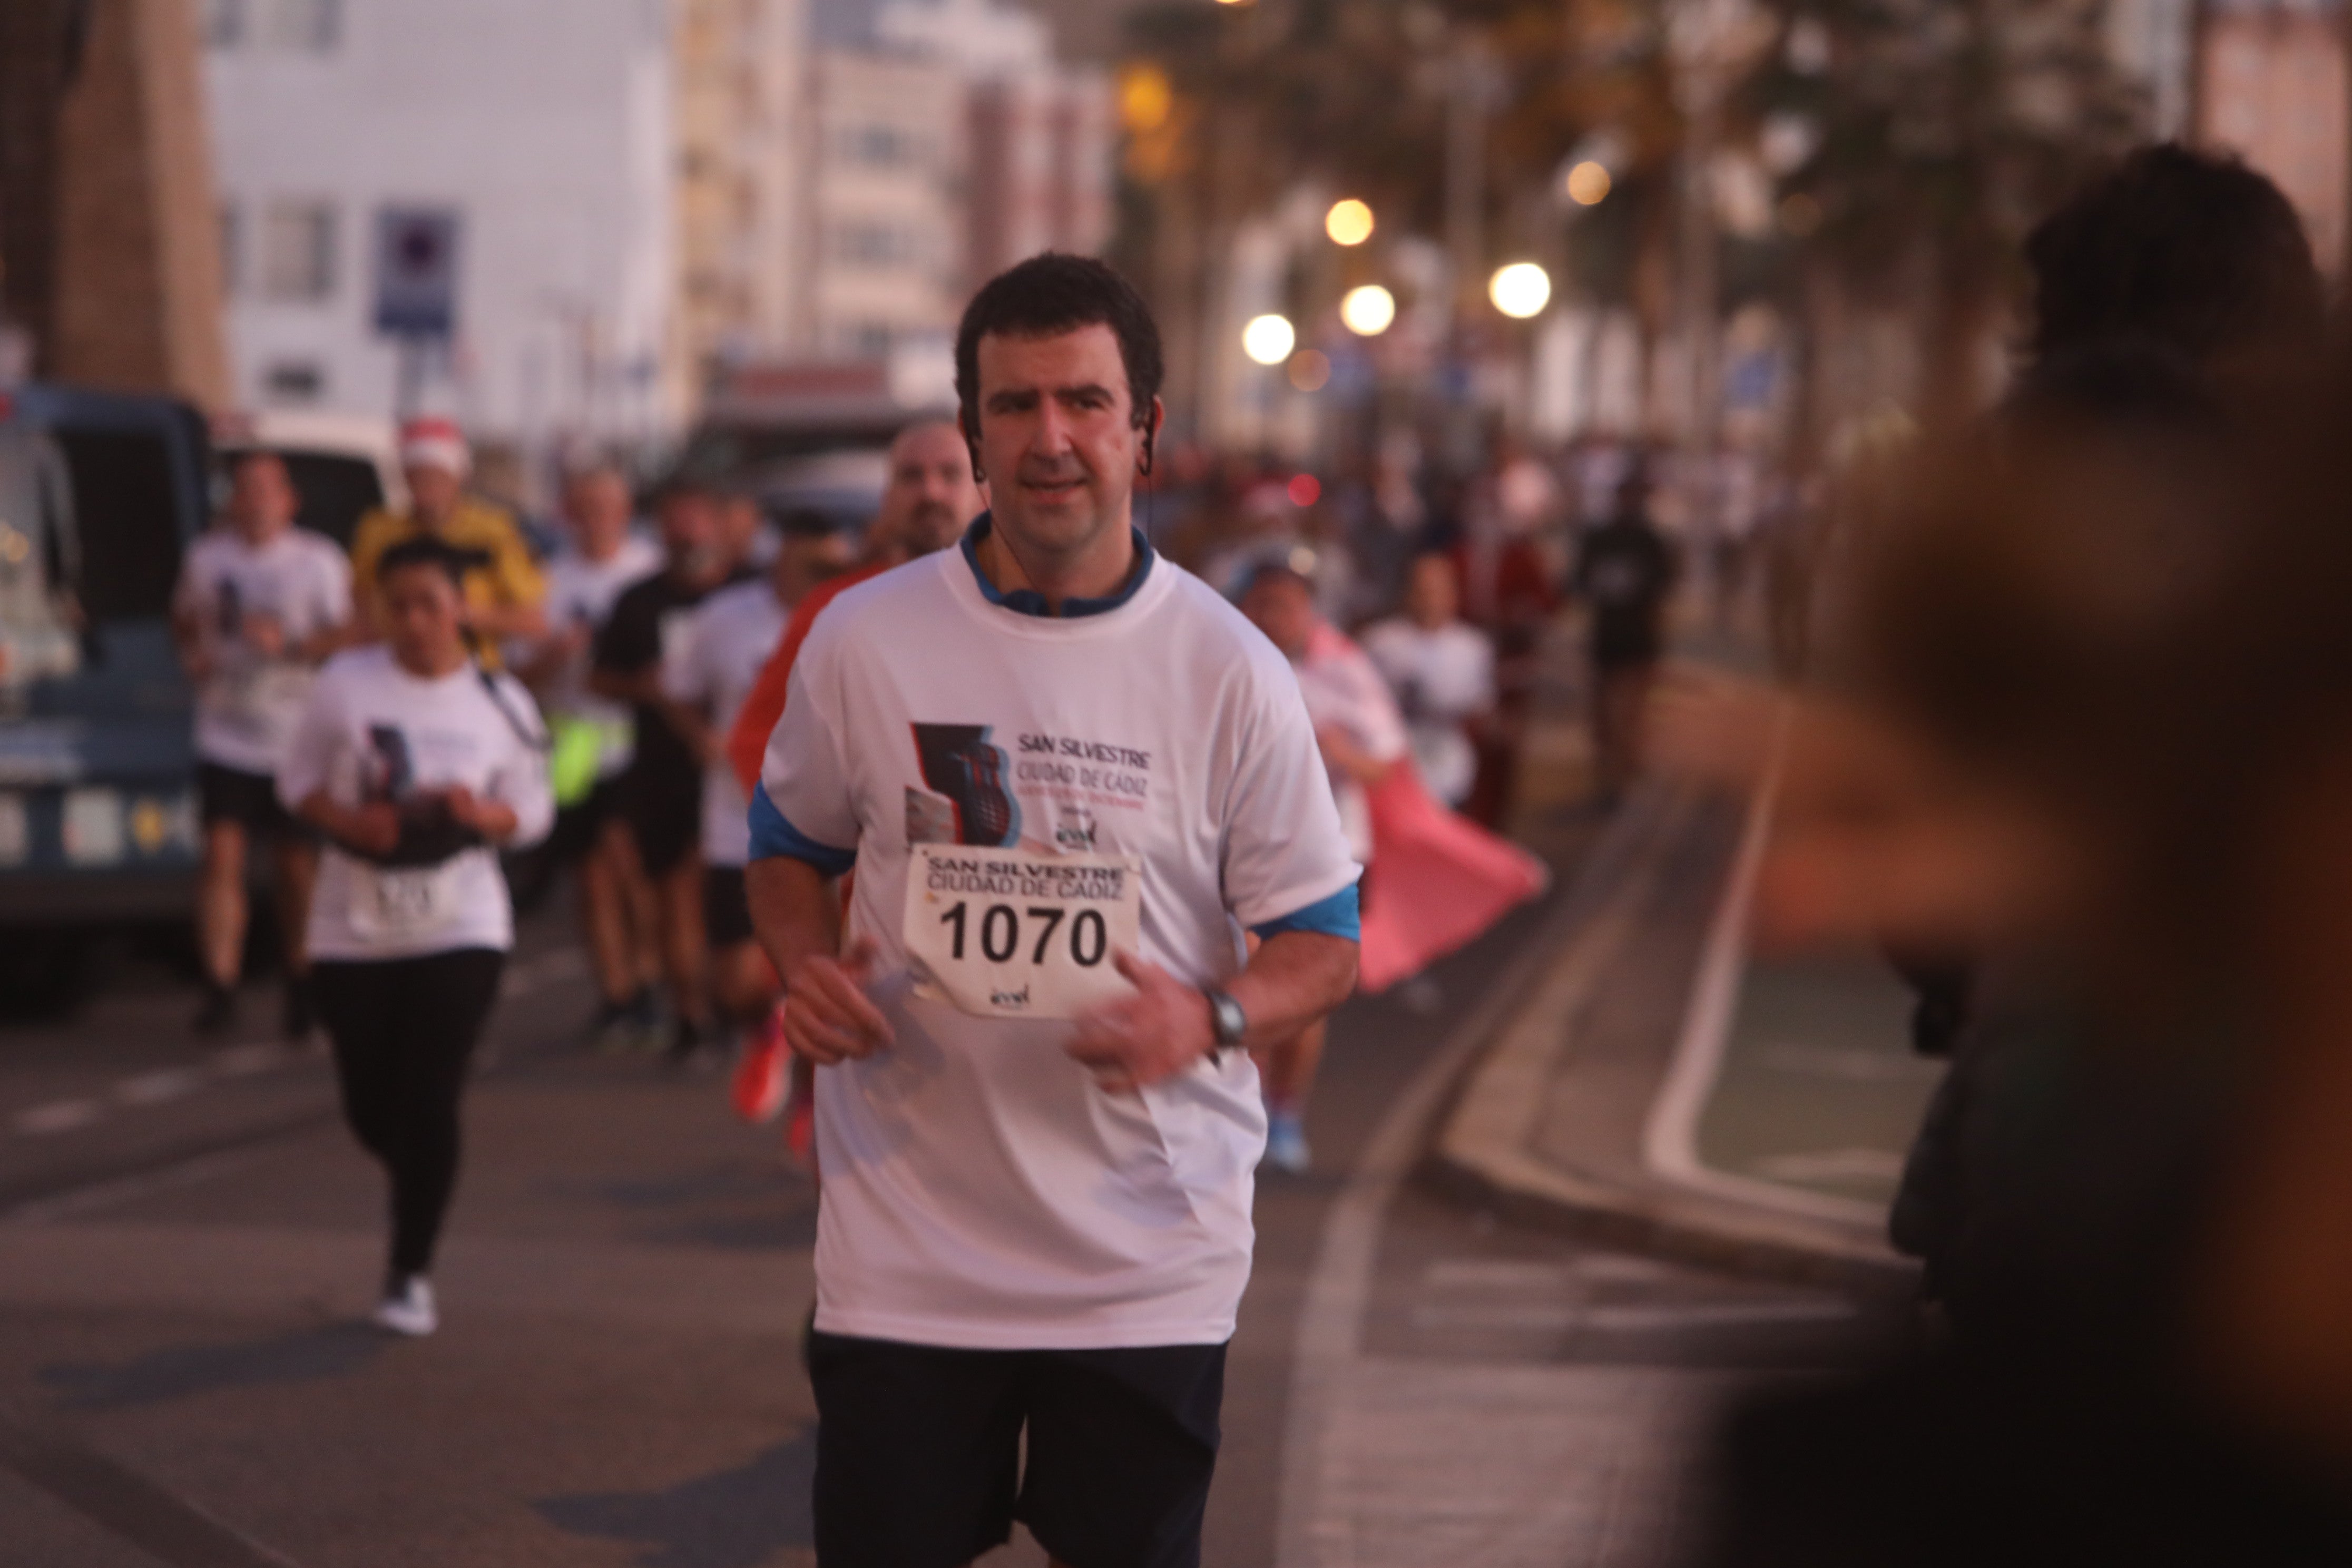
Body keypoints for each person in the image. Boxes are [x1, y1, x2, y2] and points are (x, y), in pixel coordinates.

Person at [746, 253, 1360, 1568]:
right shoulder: (862, 638)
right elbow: (785, 847)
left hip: (1146, 1253)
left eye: (1083, 402)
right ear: (970, 429)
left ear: (1144, 426)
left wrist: (1210, 1014)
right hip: (905, 1244)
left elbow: (1323, 939)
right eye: (1012, 406)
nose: (1048, 439)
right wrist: (801, 964)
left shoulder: (1228, 669)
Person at [279, 536, 552, 1337]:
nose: (415, 621)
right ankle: (418, 1176)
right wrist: (349, 817)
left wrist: (479, 814)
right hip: (352, 922)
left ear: (460, 607)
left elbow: (532, 813)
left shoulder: (499, 701)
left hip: (462, 919)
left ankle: (410, 1271)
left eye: (430, 604)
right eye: (397, 606)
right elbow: (296, 784)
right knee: (372, 1104)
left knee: (432, 1092)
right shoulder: (343, 686)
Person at [172, 450, 353, 1038]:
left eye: (265, 491)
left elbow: (348, 633)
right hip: (226, 727)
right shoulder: (208, 557)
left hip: (293, 732)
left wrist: (294, 643)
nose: (254, 501)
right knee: (221, 856)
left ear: (288, 500)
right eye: (244, 490)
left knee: (294, 865)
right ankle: (219, 985)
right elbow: (185, 617)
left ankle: (300, 979)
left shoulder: (316, 560)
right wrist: (193, 655)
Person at [663, 513, 855, 1048]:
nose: (822, 568)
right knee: (738, 982)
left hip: (837, 816)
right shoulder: (724, 615)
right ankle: (774, 1021)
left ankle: (807, 1067)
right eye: (810, 556)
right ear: (782, 553)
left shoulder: (858, 613)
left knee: (833, 962)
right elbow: (678, 688)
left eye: (833, 558)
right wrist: (701, 736)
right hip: (736, 814)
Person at [1239, 562, 1407, 1172]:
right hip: (1247, 853)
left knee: (1303, 990)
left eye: (1284, 605)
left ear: (1309, 612)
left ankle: (1286, 1112)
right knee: (1246, 972)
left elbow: (1386, 763)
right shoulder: (1227, 662)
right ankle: (1250, 1103)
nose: (1271, 617)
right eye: (1260, 604)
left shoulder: (1345, 670)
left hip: (1332, 853)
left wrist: (1337, 752)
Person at [722, 418, 985, 801]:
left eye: (950, 475)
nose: (931, 491)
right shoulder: (836, 608)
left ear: (983, 493)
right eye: (911, 476)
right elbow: (756, 739)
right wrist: (813, 853)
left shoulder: (1026, 603)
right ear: (886, 499)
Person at [592, 479, 746, 1061]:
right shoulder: (638, 601)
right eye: (674, 526)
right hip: (661, 770)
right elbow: (600, 677)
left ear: (720, 524)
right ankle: (690, 1017)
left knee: (733, 900)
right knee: (672, 897)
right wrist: (647, 687)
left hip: (739, 775)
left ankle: (741, 1009)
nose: (687, 536)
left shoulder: (749, 592)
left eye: (696, 522)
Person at [515, 463, 663, 1048]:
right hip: (574, 739)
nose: (597, 518)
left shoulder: (648, 568)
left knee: (633, 861)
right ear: (570, 515)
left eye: (608, 506)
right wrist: (556, 654)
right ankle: (616, 992)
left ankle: (651, 979)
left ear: (625, 512)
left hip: (635, 736)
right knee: (592, 873)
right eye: (586, 507)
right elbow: (521, 674)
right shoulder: (548, 580)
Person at [349, 417, 546, 659]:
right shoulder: (379, 529)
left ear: (459, 476)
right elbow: (360, 604)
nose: (425, 487)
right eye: (415, 476)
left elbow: (534, 620)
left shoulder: (494, 531)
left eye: (435, 476)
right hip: (392, 670)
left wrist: (457, 613)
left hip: (472, 671)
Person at [1572, 467, 1679, 807]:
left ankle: (1625, 778)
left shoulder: (1651, 541)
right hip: (1606, 639)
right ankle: (1609, 778)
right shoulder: (1599, 539)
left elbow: (1663, 587)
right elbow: (1580, 583)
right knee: (1604, 717)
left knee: (1631, 716)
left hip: (1638, 640)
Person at [1360, 552, 1497, 812]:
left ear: (1453, 594)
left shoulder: (1473, 647)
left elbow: (1482, 710)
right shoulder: (1380, 642)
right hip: (1392, 766)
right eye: (1422, 590)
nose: (1430, 599)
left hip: (1449, 767)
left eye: (1438, 590)